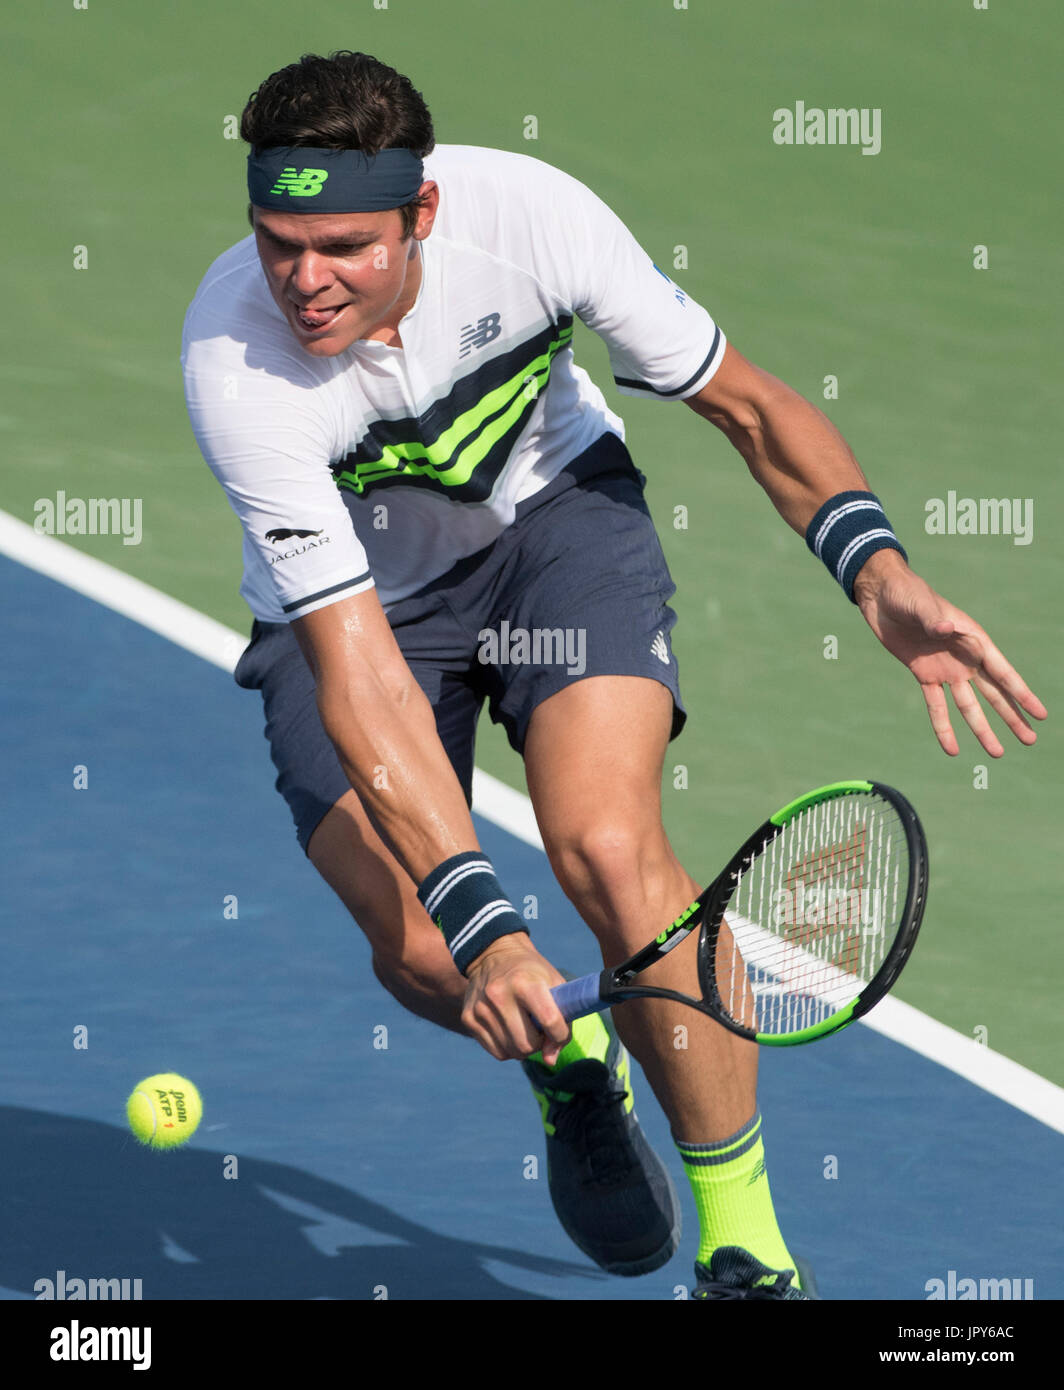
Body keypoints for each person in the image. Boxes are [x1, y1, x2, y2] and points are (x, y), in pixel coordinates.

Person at [181, 50, 1046, 1300]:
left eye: (345, 246)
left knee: (607, 852)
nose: (304, 280)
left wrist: (875, 570)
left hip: (554, 532)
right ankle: (573, 1061)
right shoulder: (234, 359)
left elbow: (746, 408)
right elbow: (358, 669)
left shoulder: (535, 220)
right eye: (278, 241)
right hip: (364, 617)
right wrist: (486, 934)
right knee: (423, 950)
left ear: (420, 213)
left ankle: (745, 1246)